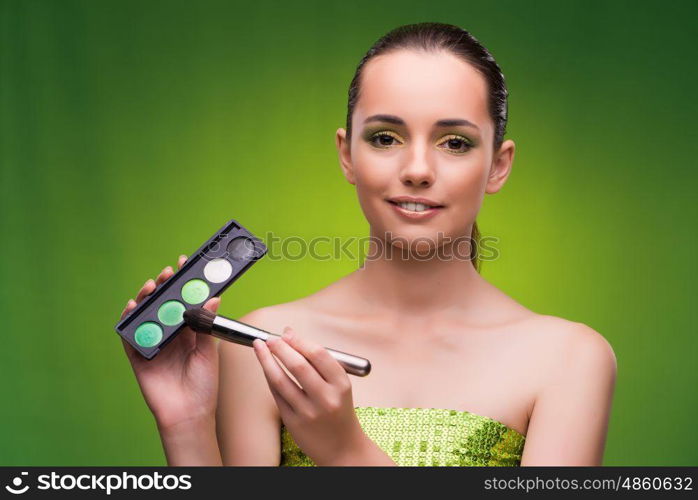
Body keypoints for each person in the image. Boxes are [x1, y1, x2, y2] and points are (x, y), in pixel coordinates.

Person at [119, 22, 617, 466]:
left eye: (455, 143)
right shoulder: (265, 346)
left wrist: (345, 453)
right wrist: (184, 424)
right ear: (347, 154)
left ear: (499, 165)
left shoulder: (569, 359)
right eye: (385, 138)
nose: (418, 170)